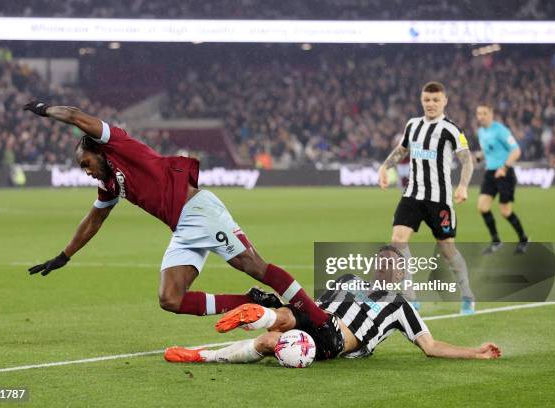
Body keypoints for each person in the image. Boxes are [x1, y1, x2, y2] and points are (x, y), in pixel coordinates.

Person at [22, 101, 343, 358]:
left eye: (85, 163)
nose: (85, 171)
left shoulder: (118, 143)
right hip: (184, 228)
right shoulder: (108, 185)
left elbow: (77, 116)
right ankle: (251, 300)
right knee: (170, 298)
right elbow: (94, 220)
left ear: (98, 151)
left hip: (199, 211)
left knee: (253, 265)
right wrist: (65, 255)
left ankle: (320, 321)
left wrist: (46, 110)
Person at [164, 246, 502, 364]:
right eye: (382, 262)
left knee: (280, 329)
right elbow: (309, 307)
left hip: (337, 339)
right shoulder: (348, 279)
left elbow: (431, 346)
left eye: (393, 265)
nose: (386, 267)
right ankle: (206, 352)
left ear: (401, 275)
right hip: (317, 326)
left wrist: (476, 351)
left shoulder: (401, 306)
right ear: (374, 267)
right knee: (282, 327)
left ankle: (262, 311)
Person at [377, 82, 475, 315]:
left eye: (435, 100)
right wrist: (384, 166)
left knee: (447, 249)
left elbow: (467, 160)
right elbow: (402, 150)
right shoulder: (413, 125)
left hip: (439, 199)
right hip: (412, 194)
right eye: (427, 100)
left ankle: (468, 295)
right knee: (397, 240)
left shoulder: (451, 129)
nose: (431, 104)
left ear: (444, 101)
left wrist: (462, 186)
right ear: (422, 100)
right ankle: (411, 297)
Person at [475, 104, 529, 254]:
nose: (481, 117)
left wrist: (504, 168)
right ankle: (496, 241)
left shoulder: (501, 130)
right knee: (482, 207)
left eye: (484, 113)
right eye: (479, 113)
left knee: (505, 211)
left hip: (504, 174)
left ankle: (523, 239)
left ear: (491, 114)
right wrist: (479, 157)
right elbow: (489, 151)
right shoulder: (480, 132)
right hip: (490, 173)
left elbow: (516, 150)